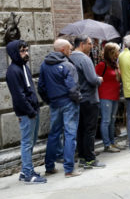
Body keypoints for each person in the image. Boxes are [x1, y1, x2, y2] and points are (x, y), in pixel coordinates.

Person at [38, 39, 81, 177]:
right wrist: (77, 100)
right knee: (70, 134)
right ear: (63, 50)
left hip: (55, 103)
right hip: (68, 103)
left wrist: (49, 100)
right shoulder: (67, 65)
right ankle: (69, 169)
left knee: (54, 134)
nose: (71, 51)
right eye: (69, 48)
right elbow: (73, 88)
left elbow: (41, 87)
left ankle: (49, 166)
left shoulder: (45, 65)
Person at [6, 40, 47, 184]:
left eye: (26, 50)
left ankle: (25, 171)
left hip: (32, 110)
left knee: (31, 142)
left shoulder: (24, 67)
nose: (26, 53)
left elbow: (29, 90)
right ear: (14, 53)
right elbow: (18, 95)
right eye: (22, 51)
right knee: (27, 143)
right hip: (26, 113)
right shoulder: (13, 71)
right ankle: (29, 174)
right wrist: (30, 111)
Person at [70, 35, 105, 168]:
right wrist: (99, 79)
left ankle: (83, 158)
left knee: (81, 130)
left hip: (77, 99)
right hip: (89, 99)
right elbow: (92, 79)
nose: (92, 46)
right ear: (82, 44)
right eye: (90, 44)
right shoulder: (85, 59)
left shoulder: (70, 57)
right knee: (90, 130)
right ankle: (90, 159)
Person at [95, 42, 124, 152]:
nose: (119, 52)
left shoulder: (114, 64)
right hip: (105, 96)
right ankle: (107, 144)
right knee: (106, 120)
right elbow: (94, 78)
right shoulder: (102, 65)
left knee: (112, 120)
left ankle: (112, 142)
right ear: (112, 52)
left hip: (114, 96)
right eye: (117, 51)